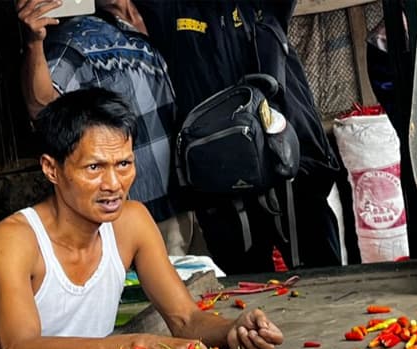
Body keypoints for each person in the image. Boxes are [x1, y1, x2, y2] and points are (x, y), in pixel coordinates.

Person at [0, 88, 283, 349]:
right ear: (52, 169)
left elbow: (185, 320)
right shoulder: (13, 241)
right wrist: (134, 346)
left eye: (123, 164)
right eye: (94, 168)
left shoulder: (131, 223)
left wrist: (232, 330)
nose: (114, 184)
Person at [133, 0, 343, 272]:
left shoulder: (260, 6)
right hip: (220, 182)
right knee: (242, 285)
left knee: (322, 273)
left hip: (288, 167)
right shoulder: (172, 10)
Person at [17, 0, 192, 255]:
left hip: (191, 196)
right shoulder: (76, 39)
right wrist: (34, 44)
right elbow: (42, 108)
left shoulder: (167, 17)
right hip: (140, 212)